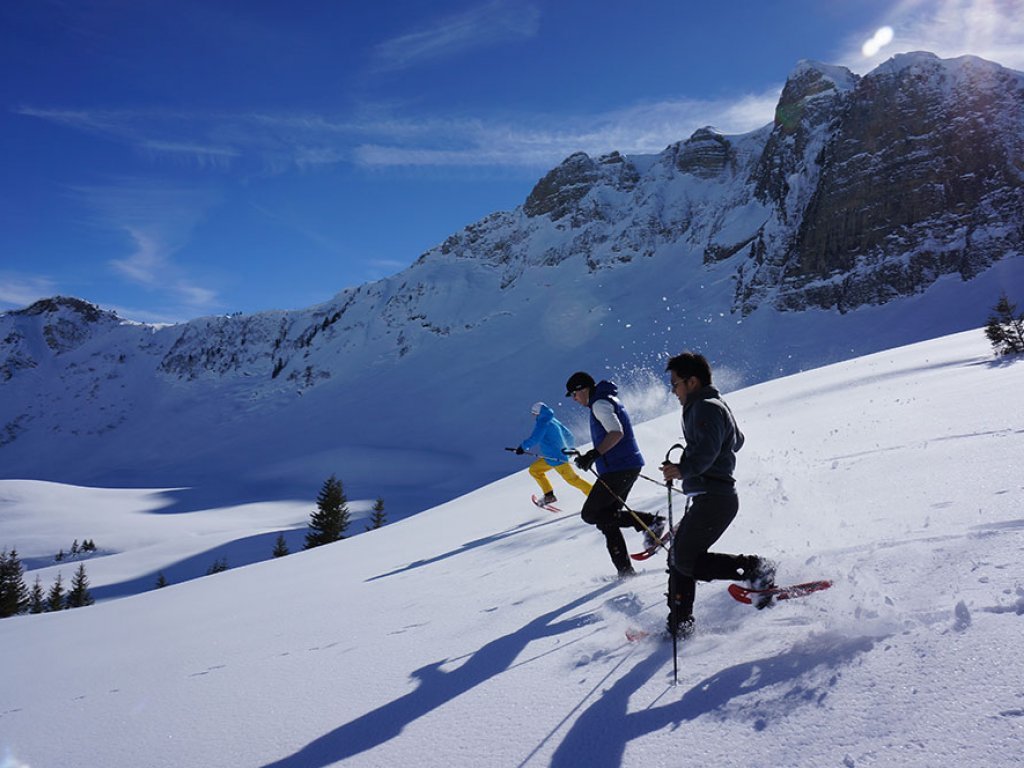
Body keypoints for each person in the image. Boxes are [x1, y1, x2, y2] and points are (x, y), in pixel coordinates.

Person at [659, 352, 776, 639]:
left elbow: (710, 450)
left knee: (684, 558)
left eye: (675, 384)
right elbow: (735, 440)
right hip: (712, 497)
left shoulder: (706, 407)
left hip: (715, 497)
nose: (673, 391)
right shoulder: (712, 405)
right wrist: (688, 463)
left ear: (692, 381)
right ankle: (680, 623)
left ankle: (754, 567)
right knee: (679, 557)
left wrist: (682, 468)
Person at [565, 371, 666, 578]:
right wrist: (592, 456)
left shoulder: (599, 404)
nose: (574, 400)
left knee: (590, 514)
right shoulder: (605, 400)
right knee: (606, 521)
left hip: (619, 467)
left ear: (582, 389)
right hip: (622, 465)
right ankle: (625, 572)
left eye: (573, 395)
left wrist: (595, 454)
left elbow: (616, 432)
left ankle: (651, 522)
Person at [516, 401, 593, 506]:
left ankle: (596, 496)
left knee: (573, 480)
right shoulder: (552, 420)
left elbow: (535, 438)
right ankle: (549, 495)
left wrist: (522, 447)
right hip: (551, 458)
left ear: (537, 413)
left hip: (556, 459)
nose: (533, 416)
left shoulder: (542, 423)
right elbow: (568, 435)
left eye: (533, 414)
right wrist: (569, 449)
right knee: (535, 470)